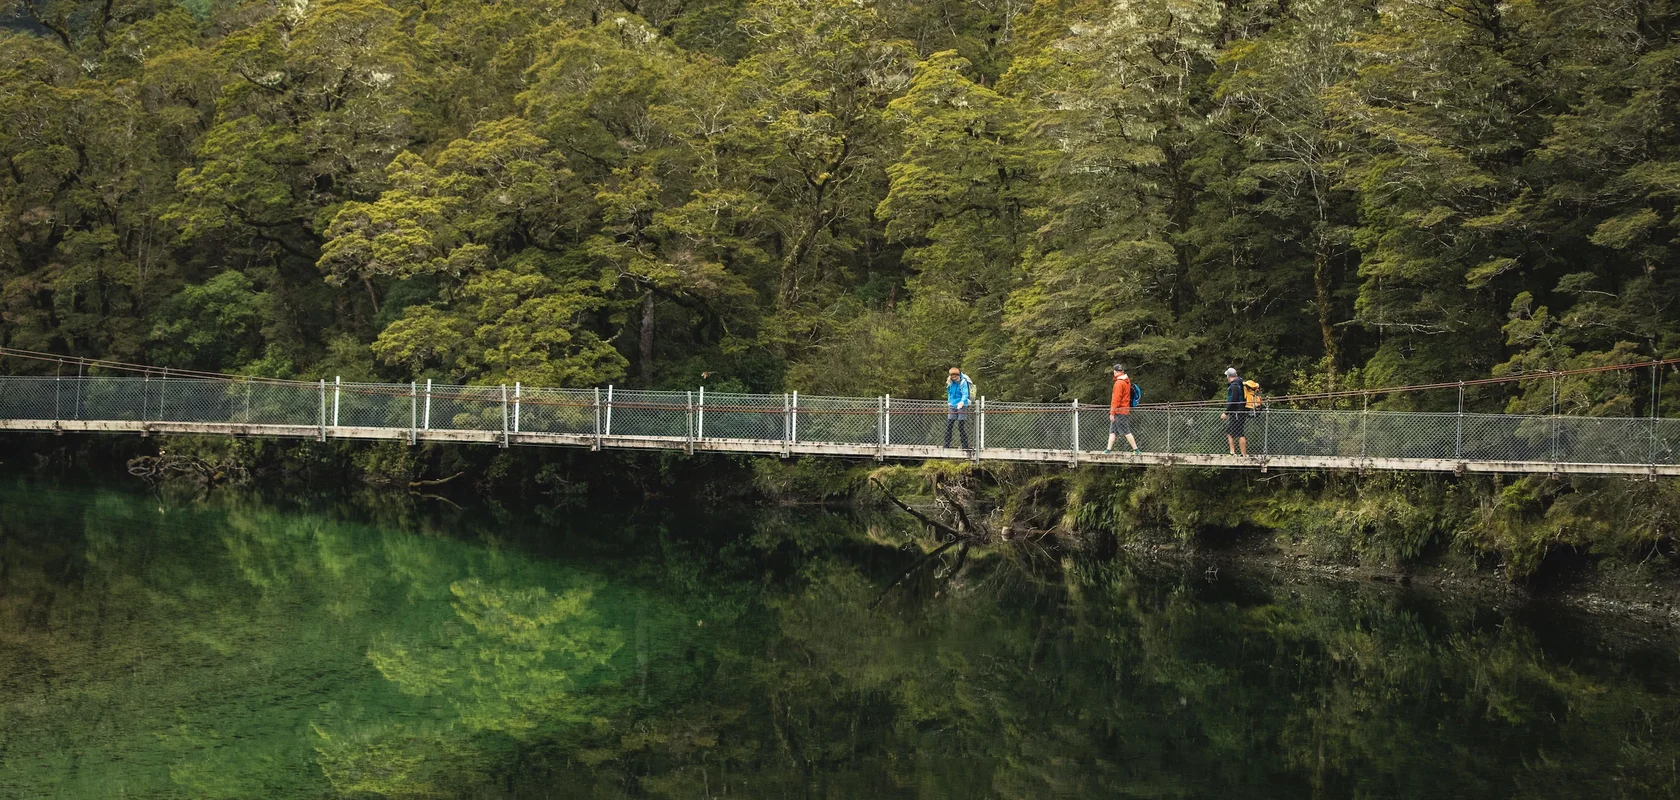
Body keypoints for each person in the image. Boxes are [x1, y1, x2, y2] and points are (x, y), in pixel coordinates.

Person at [1106, 363, 1140, 454]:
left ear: (1114, 372)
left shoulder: (1118, 383)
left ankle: (1136, 450)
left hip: (1120, 411)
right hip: (1124, 409)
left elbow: (1116, 399)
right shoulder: (1126, 381)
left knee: (1126, 431)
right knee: (1112, 431)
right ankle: (1108, 450)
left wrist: (1112, 413)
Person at [1221, 366, 1248, 456]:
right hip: (1237, 412)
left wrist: (1226, 412)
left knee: (1239, 433)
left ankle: (1244, 455)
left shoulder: (1234, 386)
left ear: (1229, 376)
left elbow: (1234, 400)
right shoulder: (1239, 383)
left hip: (1237, 412)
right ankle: (1232, 452)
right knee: (1229, 432)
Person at [943, 367, 971, 449]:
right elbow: (949, 393)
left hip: (962, 405)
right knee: (949, 424)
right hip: (952, 404)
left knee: (960, 426)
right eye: (952, 376)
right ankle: (946, 445)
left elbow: (965, 394)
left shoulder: (963, 382)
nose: (954, 378)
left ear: (958, 375)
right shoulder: (950, 383)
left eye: (955, 376)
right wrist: (949, 402)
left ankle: (965, 446)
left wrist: (962, 402)